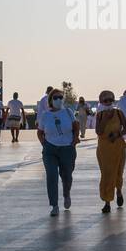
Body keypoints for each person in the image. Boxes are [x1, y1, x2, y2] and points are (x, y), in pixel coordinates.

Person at [37, 87, 79, 216]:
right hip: (50, 150)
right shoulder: (45, 115)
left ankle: (66, 194)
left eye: (61, 97)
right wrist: (44, 145)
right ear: (50, 100)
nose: (58, 100)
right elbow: (40, 132)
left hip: (67, 148)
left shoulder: (68, 112)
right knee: (52, 176)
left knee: (67, 176)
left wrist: (75, 139)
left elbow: (75, 126)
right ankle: (54, 205)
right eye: (55, 98)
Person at [95, 90, 126, 212]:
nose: (109, 102)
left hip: (118, 146)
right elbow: (98, 131)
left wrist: (117, 134)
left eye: (111, 100)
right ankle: (107, 202)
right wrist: (104, 118)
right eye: (106, 100)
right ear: (101, 102)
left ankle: (119, 191)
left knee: (118, 172)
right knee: (107, 174)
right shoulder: (99, 115)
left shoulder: (119, 113)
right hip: (104, 149)